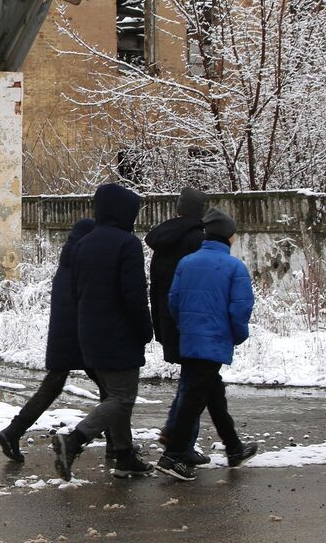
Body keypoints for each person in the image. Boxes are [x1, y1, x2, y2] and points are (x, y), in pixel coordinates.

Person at [52, 183, 154, 480]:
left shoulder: (84, 243)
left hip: (88, 334)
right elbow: (134, 294)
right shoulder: (127, 244)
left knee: (112, 395)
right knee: (122, 398)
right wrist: (145, 329)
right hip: (119, 334)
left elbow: (74, 290)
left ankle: (123, 455)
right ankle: (72, 442)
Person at [156, 207, 260, 481]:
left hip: (190, 338)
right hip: (214, 340)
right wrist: (236, 335)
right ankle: (173, 457)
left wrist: (186, 327)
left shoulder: (187, 262)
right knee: (192, 400)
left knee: (214, 394)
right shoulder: (233, 267)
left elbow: (174, 301)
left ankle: (234, 449)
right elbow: (241, 309)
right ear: (227, 236)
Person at [0, 218, 95, 463]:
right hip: (78, 336)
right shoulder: (82, 263)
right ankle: (118, 446)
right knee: (112, 391)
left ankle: (13, 431)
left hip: (63, 336)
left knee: (55, 385)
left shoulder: (67, 261)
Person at [144, 187, 209, 464]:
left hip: (168, 320)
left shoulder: (162, 240)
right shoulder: (197, 240)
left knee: (194, 381)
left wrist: (159, 323)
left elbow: (155, 285)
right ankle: (180, 446)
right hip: (192, 321)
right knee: (196, 383)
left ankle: (176, 436)